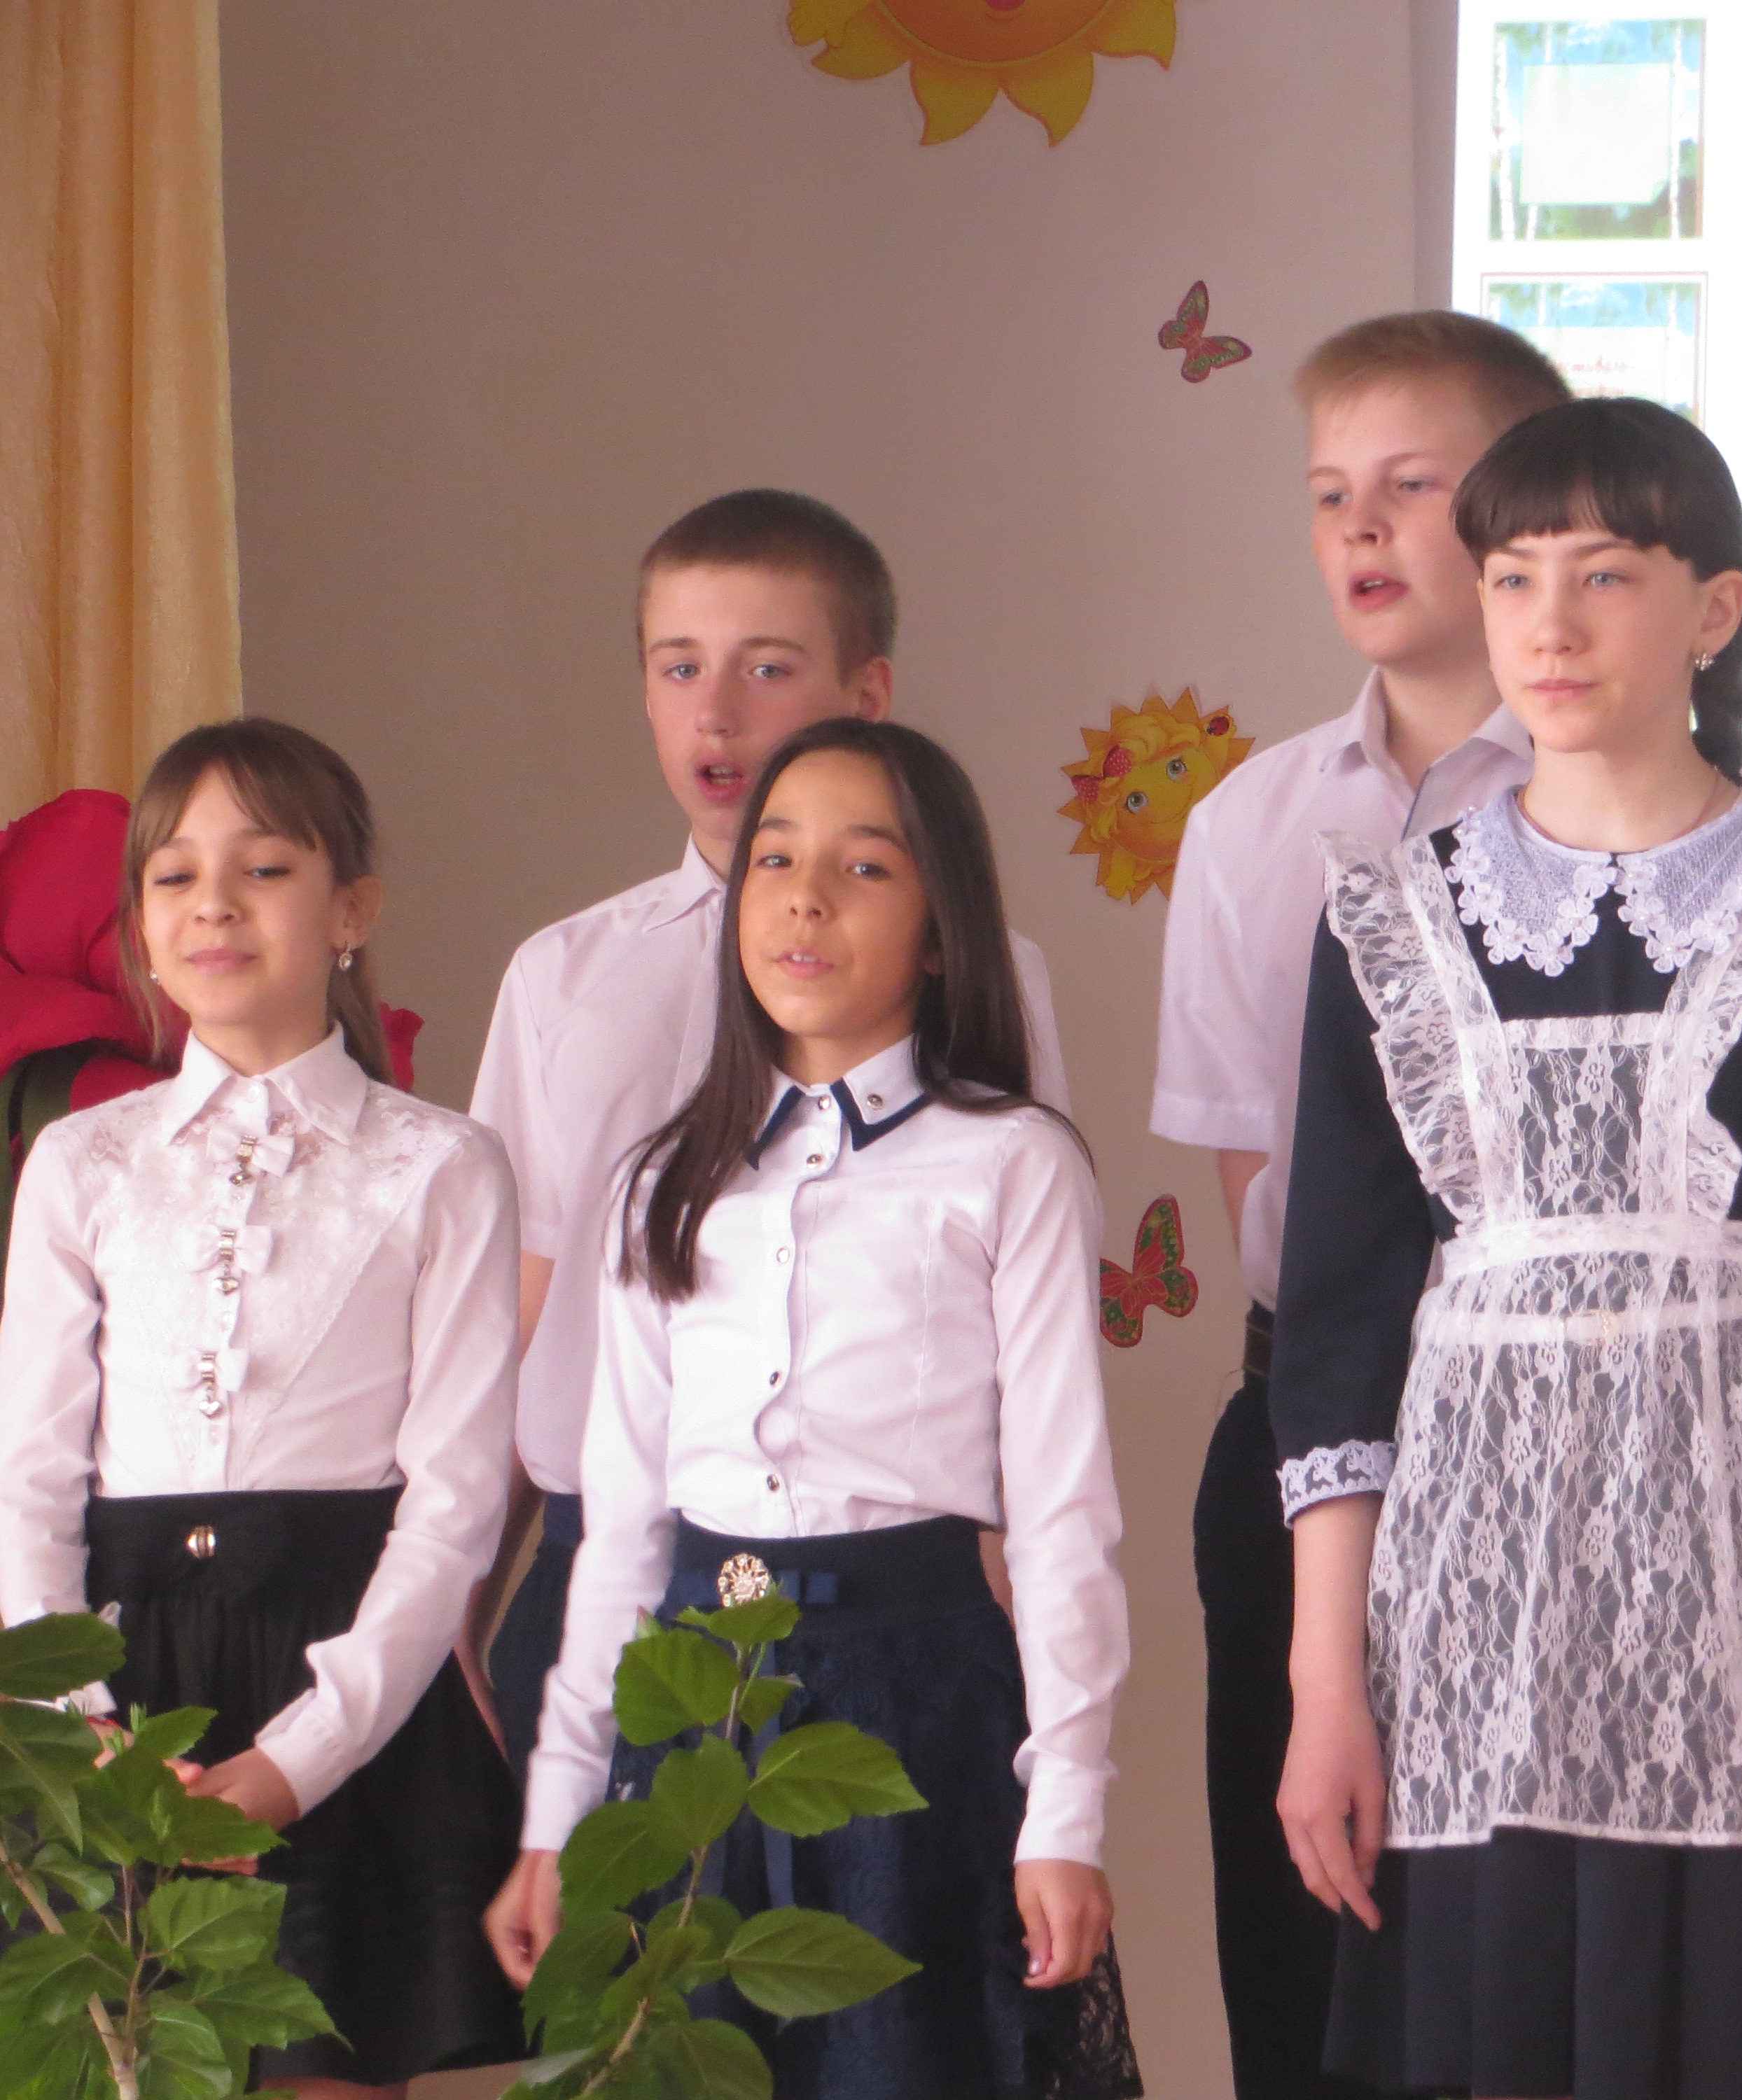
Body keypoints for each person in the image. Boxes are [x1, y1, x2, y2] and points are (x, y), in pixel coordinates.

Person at [1267, 397, 1742, 2100]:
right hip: (1465, 1629)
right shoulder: (1390, 919)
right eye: (1512, 578)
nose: (1550, 626)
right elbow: (1337, 1338)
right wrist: (1324, 1681)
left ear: (1712, 608)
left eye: (1604, 575)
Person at [485, 718, 1139, 2098]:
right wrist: (557, 1817)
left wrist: (1065, 1815)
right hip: (689, 1709)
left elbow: (1064, 1516)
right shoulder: (661, 1183)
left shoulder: (1011, 1163)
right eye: (775, 860)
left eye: (864, 867)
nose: (804, 899)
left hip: (923, 1704)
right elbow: (618, 1535)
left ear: (943, 932)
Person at [467, 489, 1068, 1779]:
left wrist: (1028, 1631)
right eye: (679, 667)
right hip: (598, 1561)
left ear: (867, 694)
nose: (717, 712)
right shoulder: (564, 978)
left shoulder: (979, 970)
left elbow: (1023, 1337)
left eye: (768, 668)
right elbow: (526, 1302)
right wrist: (465, 1593)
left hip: (878, 1586)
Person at [1150, 310, 1566, 2100]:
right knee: (1311, 1979)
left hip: (1553, 1436)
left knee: (1537, 1989)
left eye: (1413, 485)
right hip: (1312, 1432)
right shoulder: (1252, 824)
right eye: (1331, 495)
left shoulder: (1621, 802)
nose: (1364, 529)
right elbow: (1269, 1207)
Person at [0, 720, 526, 2096]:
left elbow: (455, 1502)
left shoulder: (445, 1165)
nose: (215, 904)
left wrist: (306, 1755)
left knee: (328, 2070)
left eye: (266, 868)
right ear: (139, 925)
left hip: (345, 1666)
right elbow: (30, 1471)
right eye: (174, 876)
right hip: (115, 1682)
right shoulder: (79, 1163)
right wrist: (80, 1721)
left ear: (352, 909)